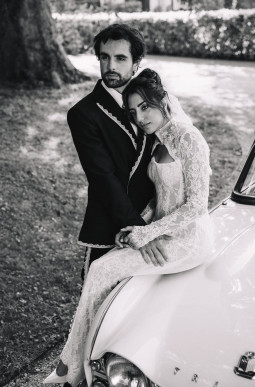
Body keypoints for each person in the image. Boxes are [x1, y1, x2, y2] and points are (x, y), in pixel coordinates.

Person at [43, 68, 213, 387]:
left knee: (101, 271)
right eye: (133, 111)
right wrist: (137, 226)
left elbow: (196, 206)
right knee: (104, 272)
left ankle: (73, 366)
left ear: (162, 101)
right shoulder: (158, 138)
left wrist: (146, 234)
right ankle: (80, 357)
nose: (140, 116)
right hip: (160, 231)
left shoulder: (190, 139)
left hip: (187, 240)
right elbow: (161, 197)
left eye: (145, 107)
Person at [66, 23, 162, 281]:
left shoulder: (153, 101)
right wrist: (138, 231)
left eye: (120, 58)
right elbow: (103, 178)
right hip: (110, 226)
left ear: (136, 63)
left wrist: (157, 225)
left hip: (158, 222)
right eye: (104, 57)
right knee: (103, 310)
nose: (111, 66)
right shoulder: (83, 114)